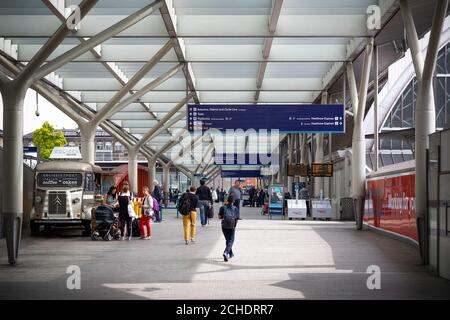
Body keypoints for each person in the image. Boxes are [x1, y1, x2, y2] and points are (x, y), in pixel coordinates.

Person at [219, 194, 239, 262]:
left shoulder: (222, 207)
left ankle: (231, 253)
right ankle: (226, 252)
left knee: (228, 240)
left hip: (224, 226)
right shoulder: (235, 208)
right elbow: (236, 218)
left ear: (227, 200)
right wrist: (234, 226)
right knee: (231, 240)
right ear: (233, 201)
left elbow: (219, 217)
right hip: (232, 226)